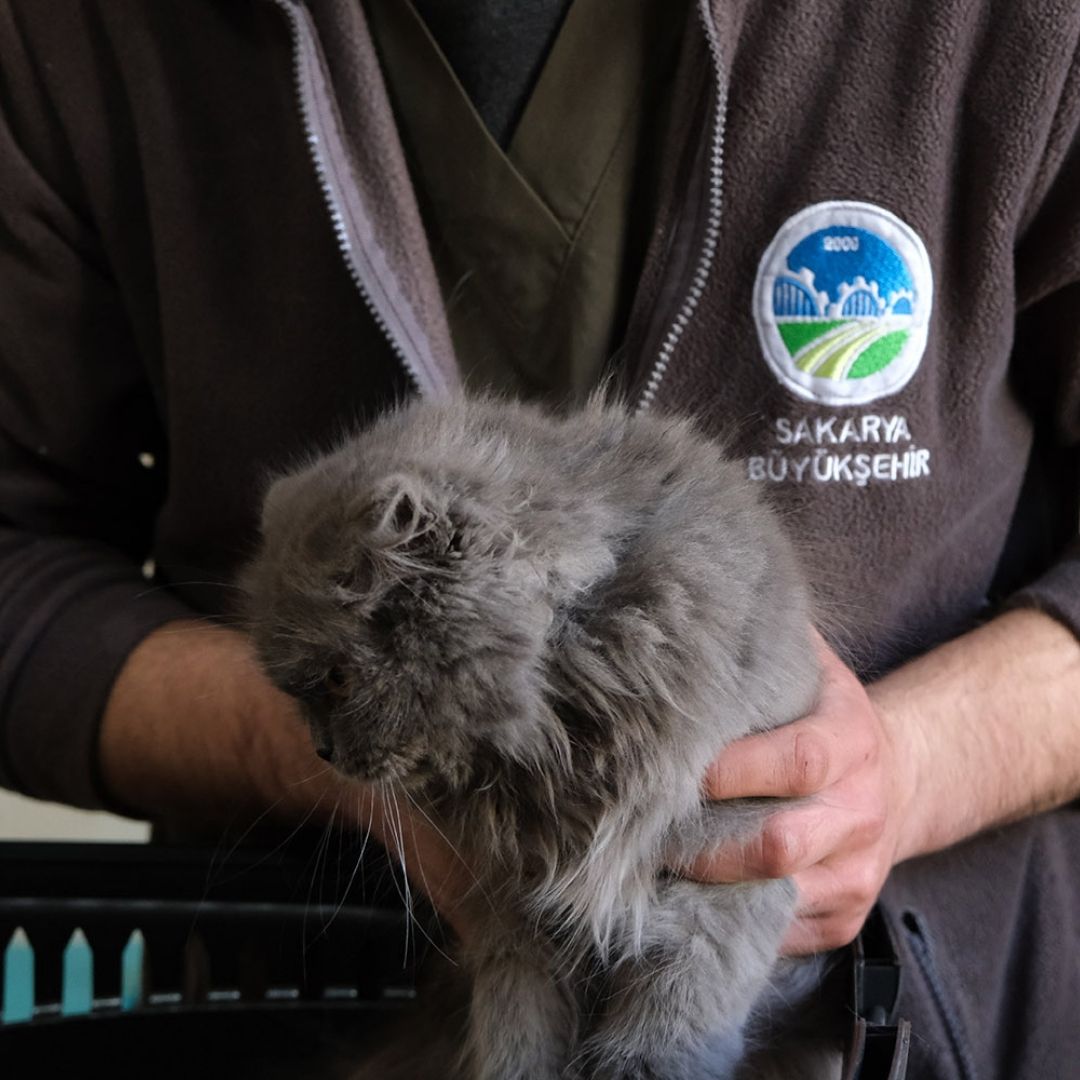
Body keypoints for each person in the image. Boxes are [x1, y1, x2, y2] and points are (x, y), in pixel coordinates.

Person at [1, 1, 1079, 1075]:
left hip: (918, 1013)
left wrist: (912, 767)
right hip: (305, 986)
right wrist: (308, 736)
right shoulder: (78, 31)